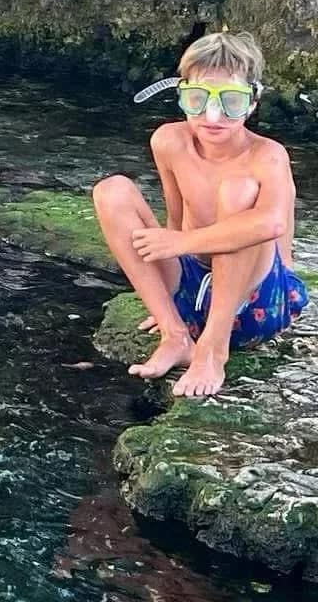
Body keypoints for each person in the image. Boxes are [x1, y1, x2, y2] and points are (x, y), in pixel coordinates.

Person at [92, 31, 308, 398]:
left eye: (232, 103)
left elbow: (271, 223)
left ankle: (212, 349)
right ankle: (175, 334)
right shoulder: (169, 141)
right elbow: (175, 218)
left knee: (236, 192)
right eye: (197, 99)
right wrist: (166, 292)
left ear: (253, 102)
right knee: (110, 191)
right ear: (181, 96)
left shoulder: (267, 156)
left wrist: (180, 241)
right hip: (193, 284)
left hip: (258, 299)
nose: (213, 116)